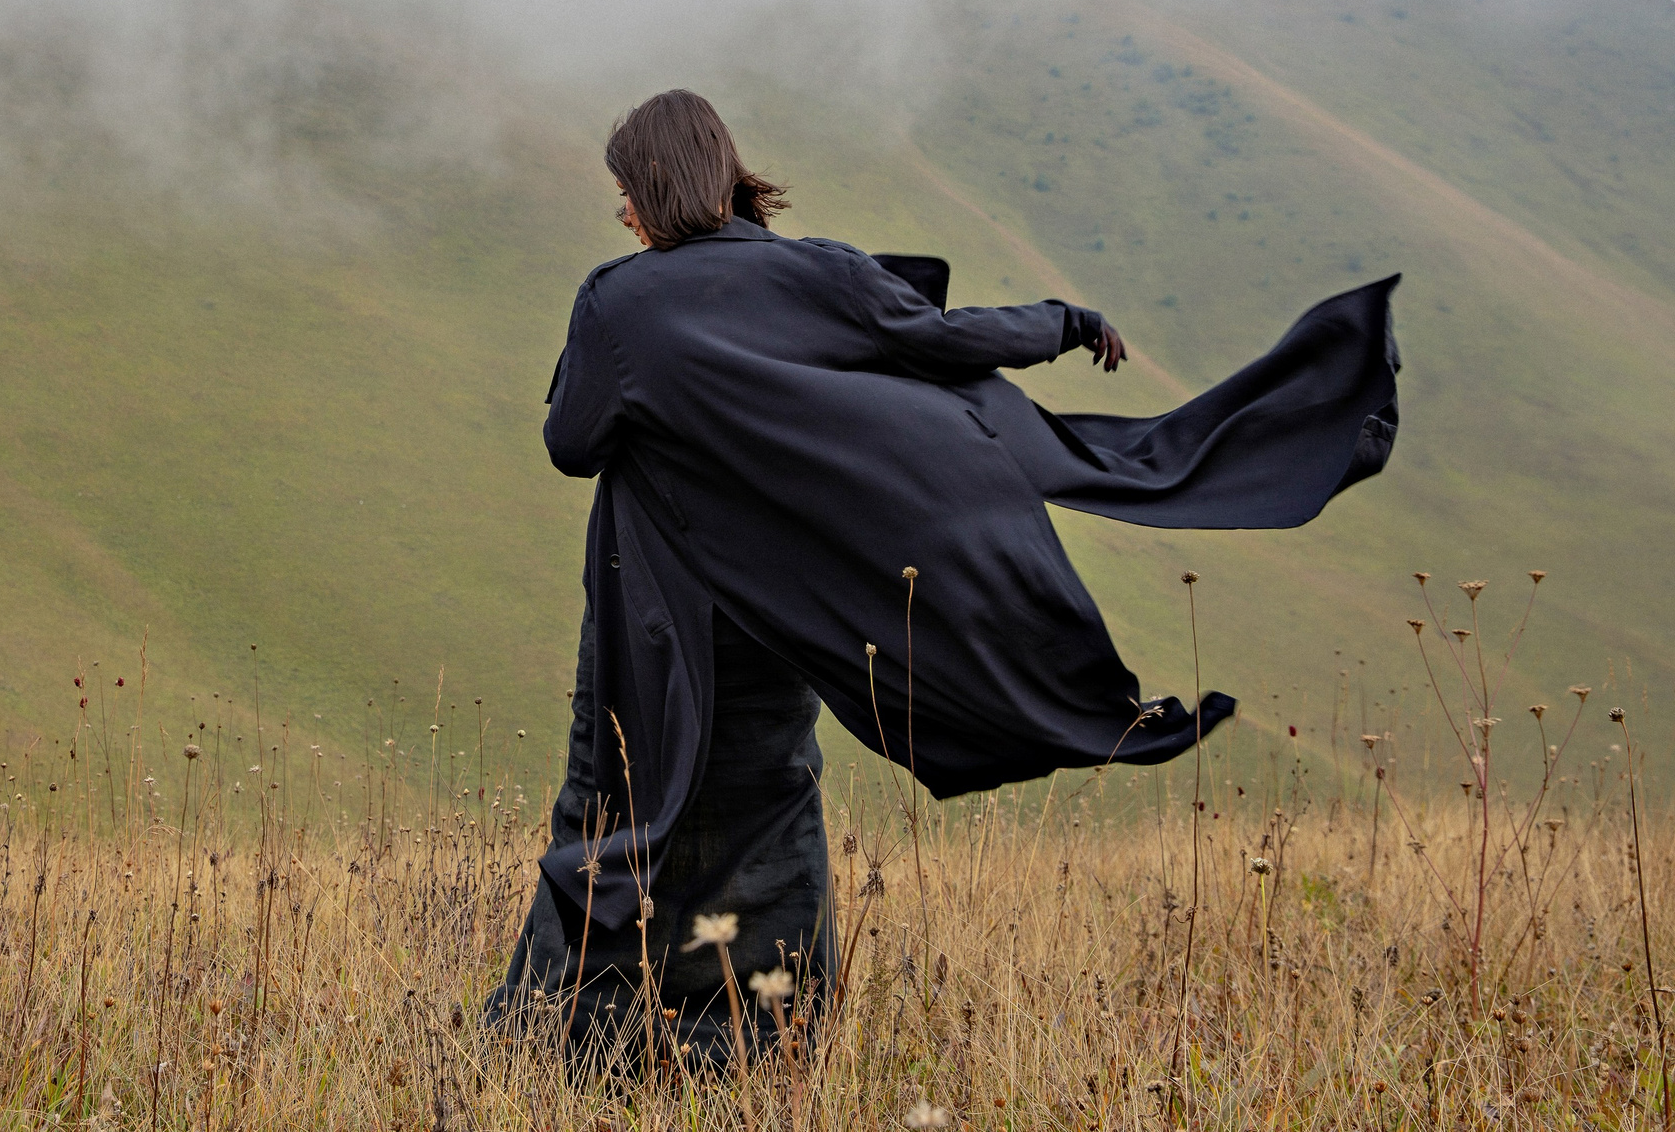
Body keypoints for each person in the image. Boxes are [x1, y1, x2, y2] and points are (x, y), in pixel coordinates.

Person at [490, 89, 1399, 1064]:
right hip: (786, 617)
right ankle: (759, 1036)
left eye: (623, 192)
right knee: (768, 804)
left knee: (618, 801)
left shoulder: (614, 301)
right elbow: (942, 339)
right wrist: (1061, 322)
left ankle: (566, 1040)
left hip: (659, 616)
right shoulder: (820, 274)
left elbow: (571, 445)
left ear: (649, 189)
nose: (620, 214)